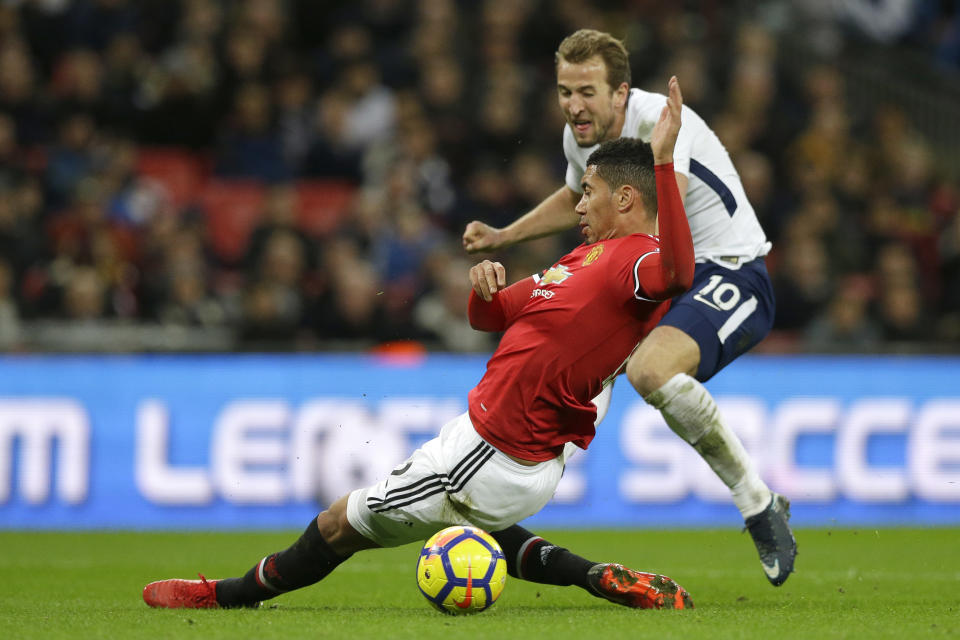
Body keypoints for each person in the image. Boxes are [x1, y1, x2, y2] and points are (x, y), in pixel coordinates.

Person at [143, 77, 695, 611]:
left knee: (338, 524)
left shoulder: (639, 259)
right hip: (513, 452)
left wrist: (664, 162)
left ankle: (227, 596)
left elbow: (677, 273)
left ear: (626, 198)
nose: (576, 206)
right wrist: (483, 290)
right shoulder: (586, 258)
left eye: (589, 193)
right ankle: (594, 576)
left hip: (491, 451)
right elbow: (493, 315)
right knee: (479, 524)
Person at [462, 29, 796, 587]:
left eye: (587, 91)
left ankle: (758, 504)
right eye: (565, 91)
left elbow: (666, 219)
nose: (574, 105)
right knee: (575, 379)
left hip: (725, 269)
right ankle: (500, 497)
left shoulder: (659, 122)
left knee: (648, 369)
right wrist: (505, 236)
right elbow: (577, 199)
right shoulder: (583, 140)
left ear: (621, 93)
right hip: (652, 274)